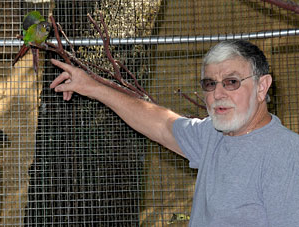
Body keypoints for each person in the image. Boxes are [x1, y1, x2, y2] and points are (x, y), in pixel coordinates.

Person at [50, 40, 299, 227]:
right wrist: (91, 87)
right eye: (210, 84)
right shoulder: (213, 135)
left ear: (262, 86)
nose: (218, 94)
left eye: (231, 82)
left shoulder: (287, 155)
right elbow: (159, 123)